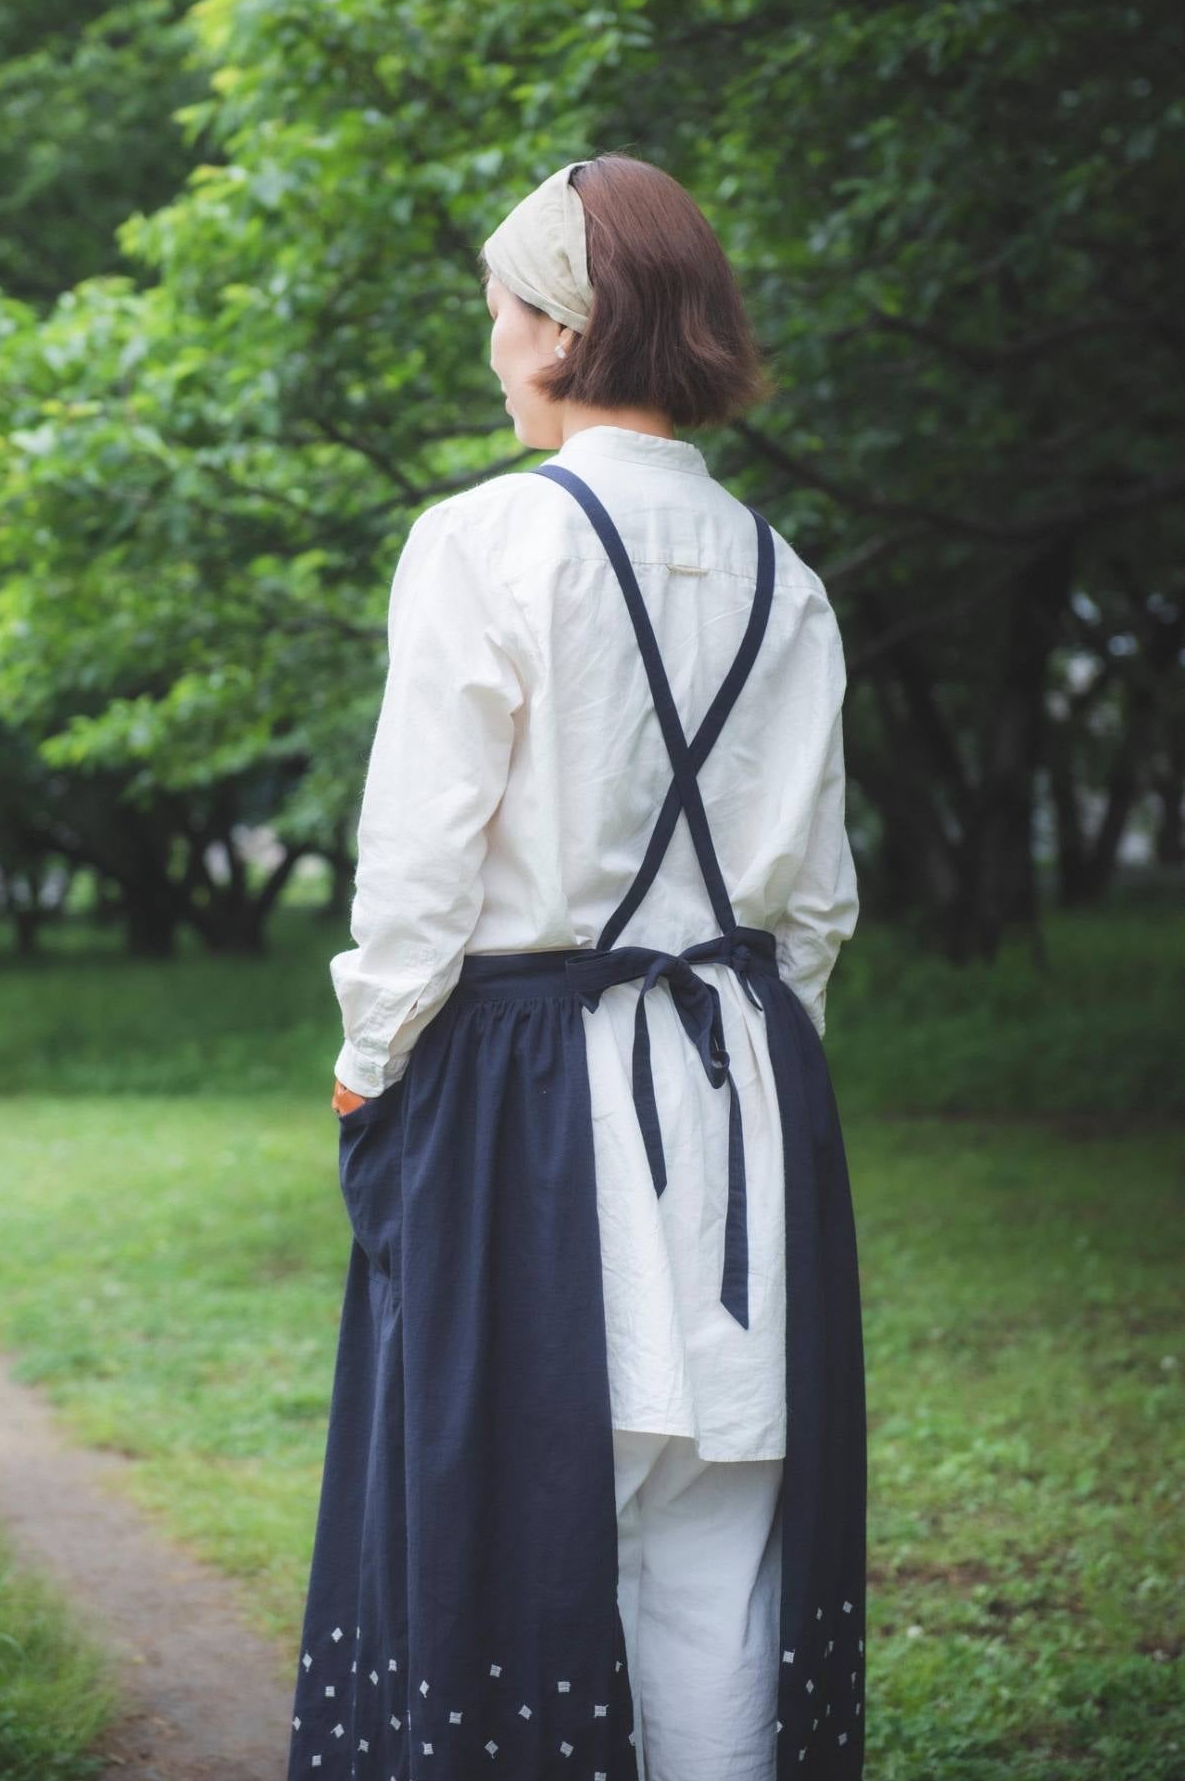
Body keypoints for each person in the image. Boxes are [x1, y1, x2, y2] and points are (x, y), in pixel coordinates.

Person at [289, 155, 868, 1781]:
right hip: (748, 1105)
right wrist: (763, 1081)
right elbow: (811, 909)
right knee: (716, 1572)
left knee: (510, 1560)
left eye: (494, 313)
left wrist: (367, 1063)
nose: (489, 348)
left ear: (558, 328)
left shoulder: (483, 544)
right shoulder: (786, 574)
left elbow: (417, 866)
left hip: (529, 1105)